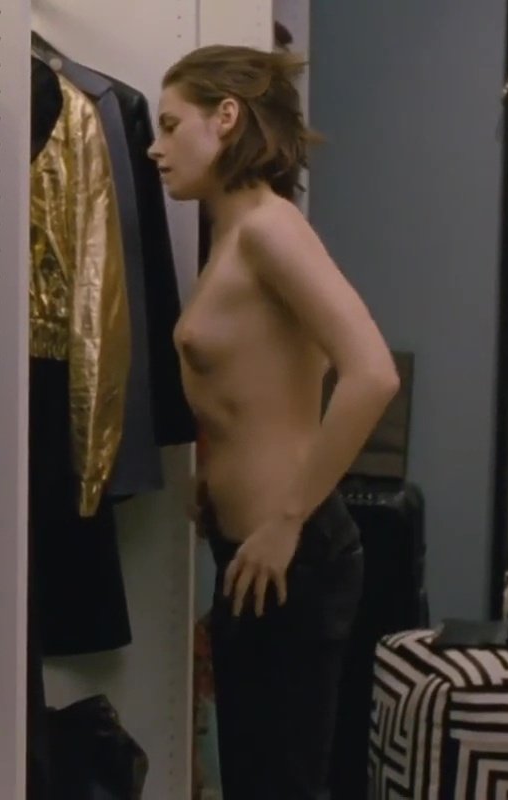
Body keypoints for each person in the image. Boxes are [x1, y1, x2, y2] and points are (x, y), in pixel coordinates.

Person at [149, 44, 400, 797]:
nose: (155, 148)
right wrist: (216, 478)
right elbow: (268, 378)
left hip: (297, 554)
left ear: (226, 117)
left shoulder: (269, 228)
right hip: (253, 555)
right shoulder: (231, 235)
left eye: (170, 125)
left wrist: (287, 519)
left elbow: (372, 372)